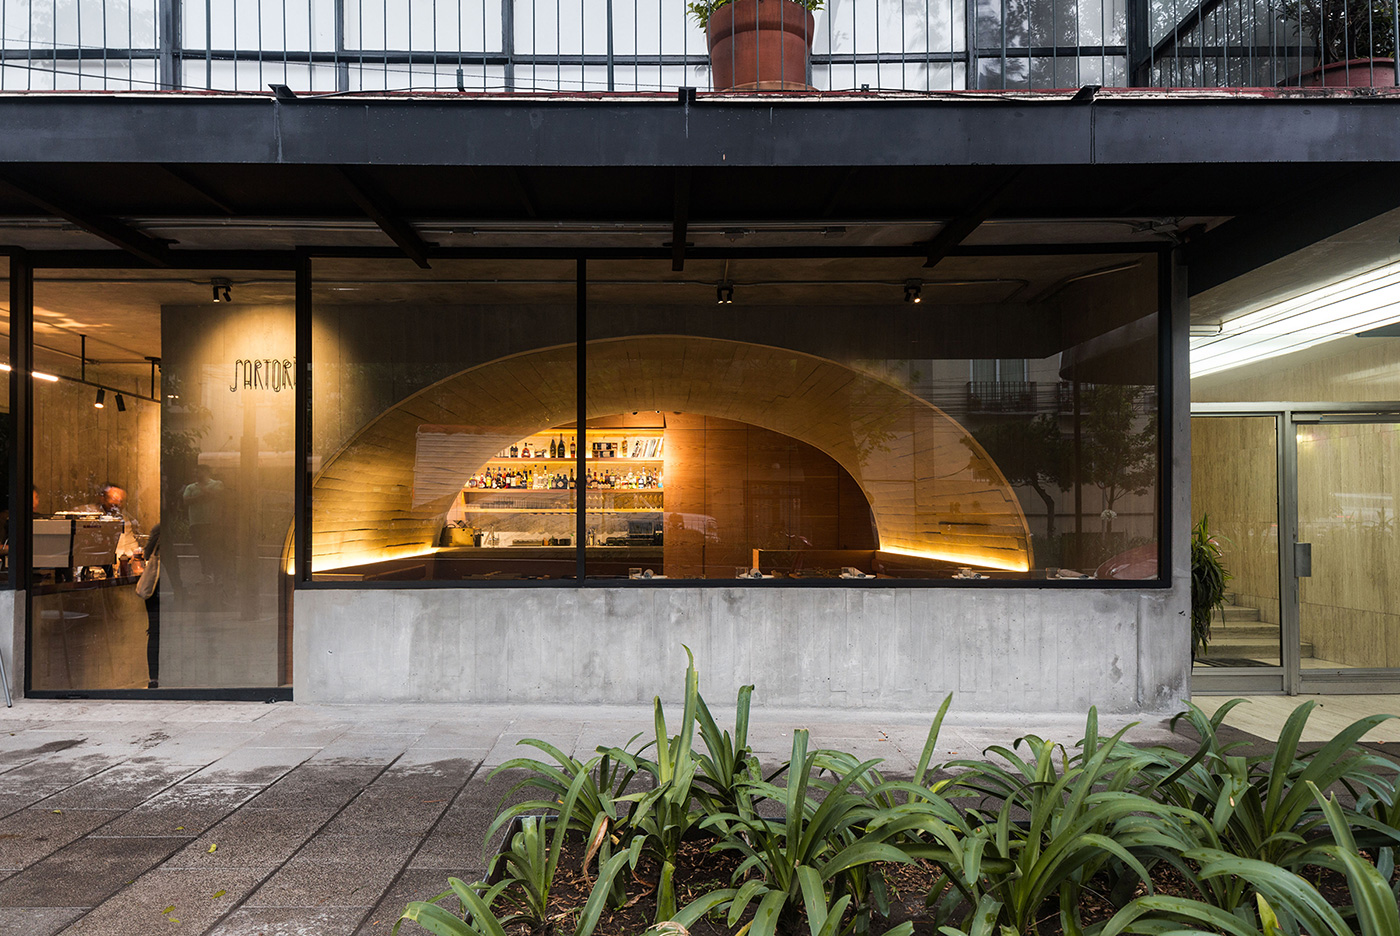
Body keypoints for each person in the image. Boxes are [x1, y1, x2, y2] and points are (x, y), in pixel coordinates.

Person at [182, 464, 225, 585]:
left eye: (198, 472)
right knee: (202, 550)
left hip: (212, 523)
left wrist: (201, 493)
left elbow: (217, 496)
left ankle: (218, 575)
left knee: (214, 550)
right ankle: (207, 575)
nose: (196, 475)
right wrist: (204, 496)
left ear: (206, 472)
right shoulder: (190, 487)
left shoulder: (217, 484)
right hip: (196, 523)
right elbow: (186, 501)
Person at [136, 523, 161, 689]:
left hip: (155, 587)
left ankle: (154, 679)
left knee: (154, 632)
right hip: (167, 587)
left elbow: (146, 553)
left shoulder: (159, 528)